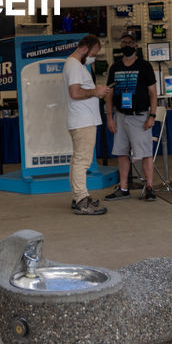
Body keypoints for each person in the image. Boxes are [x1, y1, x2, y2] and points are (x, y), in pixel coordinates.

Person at [104, 31, 159, 201]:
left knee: (145, 153)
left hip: (140, 117)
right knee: (121, 152)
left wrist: (152, 115)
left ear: (136, 45)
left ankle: (149, 187)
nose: (126, 45)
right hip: (120, 116)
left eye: (130, 42)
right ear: (120, 46)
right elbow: (109, 94)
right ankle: (123, 188)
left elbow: (153, 93)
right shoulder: (115, 67)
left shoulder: (145, 66)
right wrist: (109, 118)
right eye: (123, 42)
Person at [64, 34, 109, 215]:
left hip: (83, 119)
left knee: (79, 160)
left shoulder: (77, 65)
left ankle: (79, 197)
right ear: (84, 49)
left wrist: (95, 91)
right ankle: (82, 200)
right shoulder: (74, 64)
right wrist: (95, 91)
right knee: (82, 161)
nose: (94, 57)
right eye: (93, 53)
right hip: (82, 120)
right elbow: (75, 93)